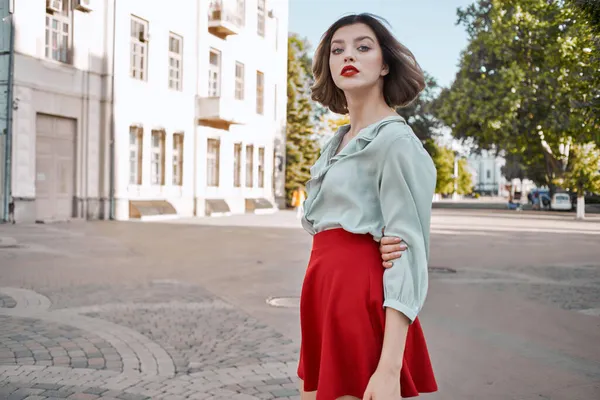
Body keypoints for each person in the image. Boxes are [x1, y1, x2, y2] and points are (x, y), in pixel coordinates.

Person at [297, 13, 438, 400]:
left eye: (363, 47)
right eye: (337, 49)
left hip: (361, 300)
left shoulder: (395, 142)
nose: (349, 56)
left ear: (385, 64)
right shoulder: (338, 141)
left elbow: (409, 257)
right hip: (324, 295)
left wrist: (390, 367)